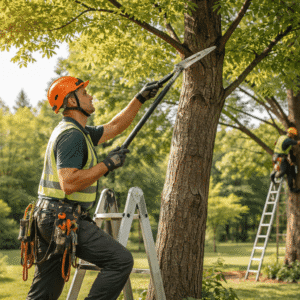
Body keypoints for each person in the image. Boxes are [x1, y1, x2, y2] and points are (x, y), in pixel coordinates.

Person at [26, 76, 161, 300]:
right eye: (84, 93)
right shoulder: (72, 136)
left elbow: (115, 127)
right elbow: (68, 183)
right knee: (120, 261)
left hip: (49, 217)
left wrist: (140, 98)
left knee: (44, 293)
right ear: (71, 102)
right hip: (61, 218)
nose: (90, 96)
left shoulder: (79, 132)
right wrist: (107, 165)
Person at [270, 127, 300, 193]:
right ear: (291, 134)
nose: (293, 136)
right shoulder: (288, 140)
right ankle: (273, 175)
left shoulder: (281, 137)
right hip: (280, 157)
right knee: (283, 171)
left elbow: (275, 142)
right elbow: (297, 143)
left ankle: (292, 189)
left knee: (289, 172)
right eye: (293, 135)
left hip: (276, 156)